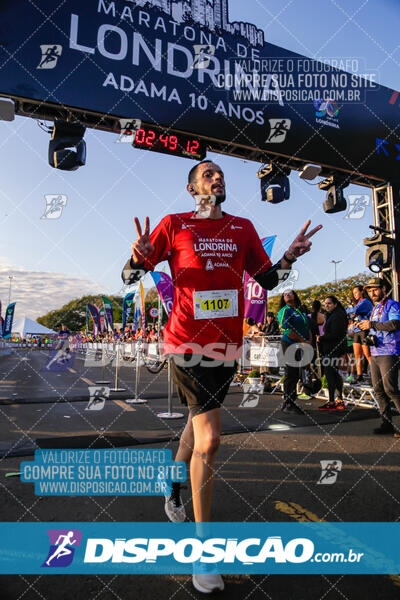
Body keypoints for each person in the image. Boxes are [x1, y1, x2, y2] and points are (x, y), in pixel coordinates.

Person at [121, 160, 321, 594]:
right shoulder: (174, 226)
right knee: (210, 438)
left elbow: (266, 281)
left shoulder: (243, 228)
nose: (217, 178)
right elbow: (128, 276)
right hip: (187, 343)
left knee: (196, 429)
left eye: (220, 174)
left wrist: (289, 255)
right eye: (208, 174)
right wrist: (137, 258)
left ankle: (173, 488)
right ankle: (203, 551)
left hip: (228, 346)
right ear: (192, 188)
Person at [358, 278, 400, 435]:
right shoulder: (375, 309)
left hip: (390, 352)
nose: (372, 293)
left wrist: (372, 325)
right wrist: (362, 327)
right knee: (378, 390)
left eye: (375, 289)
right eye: (370, 290)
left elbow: (395, 324)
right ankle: (387, 423)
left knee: (391, 389)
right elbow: (373, 328)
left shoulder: (393, 305)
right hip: (375, 352)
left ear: (384, 288)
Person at [277, 290, 313, 413]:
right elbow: (286, 329)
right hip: (289, 344)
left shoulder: (300, 311)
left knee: (298, 373)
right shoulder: (284, 311)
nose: (287, 294)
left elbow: (307, 327)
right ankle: (288, 403)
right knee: (291, 373)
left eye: (290, 293)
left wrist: (309, 341)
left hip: (302, 345)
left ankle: (290, 400)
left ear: (295, 296)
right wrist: (302, 340)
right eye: (285, 294)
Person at [317, 296, 348, 410]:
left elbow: (335, 334)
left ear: (335, 304)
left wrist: (321, 338)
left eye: (329, 303)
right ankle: (339, 400)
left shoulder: (337, 316)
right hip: (335, 349)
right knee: (335, 375)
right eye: (325, 304)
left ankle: (331, 402)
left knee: (330, 375)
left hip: (333, 350)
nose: (326, 306)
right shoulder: (336, 314)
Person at [347, 285, 373, 384]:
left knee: (367, 354)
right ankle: (359, 375)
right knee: (357, 355)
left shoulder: (365, 302)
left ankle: (375, 374)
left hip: (364, 330)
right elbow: (352, 314)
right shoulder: (357, 303)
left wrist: (348, 311)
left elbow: (354, 311)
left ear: (362, 292)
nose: (355, 295)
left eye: (356, 292)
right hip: (356, 331)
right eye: (353, 293)